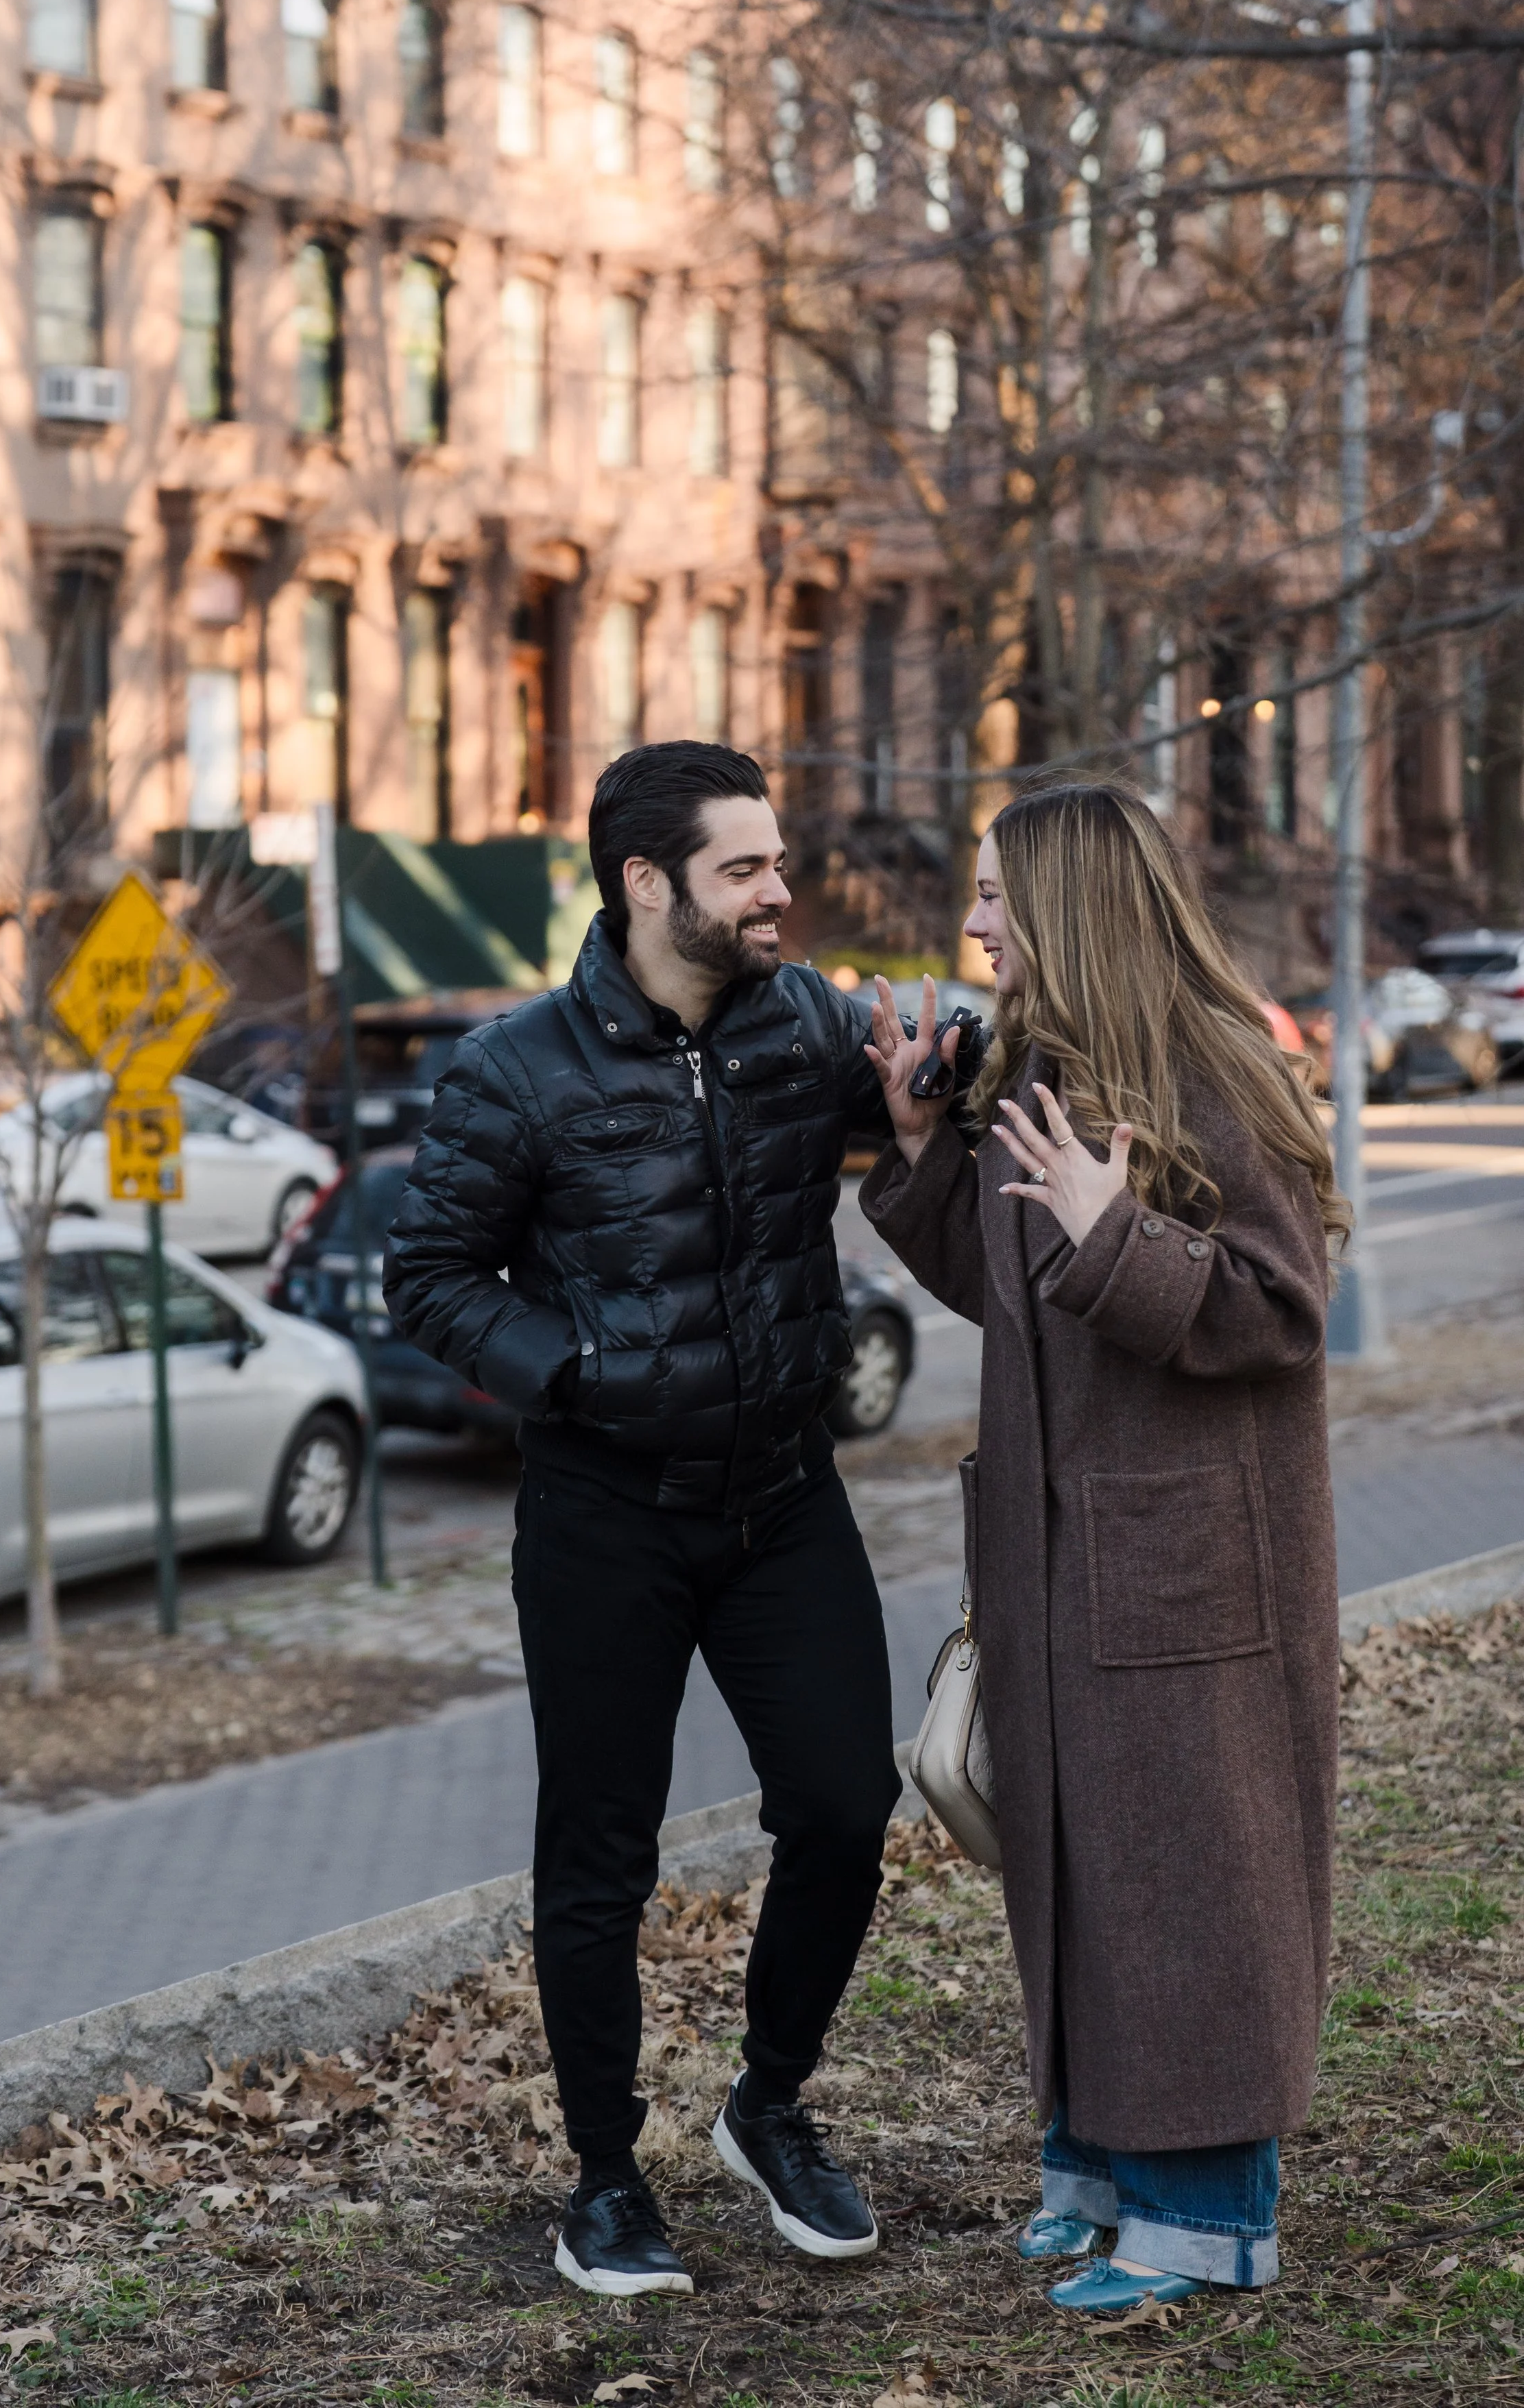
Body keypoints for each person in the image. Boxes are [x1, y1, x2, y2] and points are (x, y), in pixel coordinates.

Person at [387, 741, 971, 2298]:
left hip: (783, 1495)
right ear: (649, 884)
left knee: (846, 1805)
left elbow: (939, 1076)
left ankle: (767, 2102)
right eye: (744, 868)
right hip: (604, 1515)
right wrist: (570, 1369)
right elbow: (427, 1275)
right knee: (599, 1860)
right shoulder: (515, 1067)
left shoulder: (807, 1031)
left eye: (776, 861)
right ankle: (601, 2176)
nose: (780, 889)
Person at [861, 781, 1346, 2315]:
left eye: (998, 894)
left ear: (1071, 904)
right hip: (1053, 1553)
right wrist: (921, 1145)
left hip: (1190, 1563)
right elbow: (1013, 1294)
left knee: (1187, 1879)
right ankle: (1094, 2163)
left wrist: (1113, 1227)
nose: (973, 921)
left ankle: (1206, 2213)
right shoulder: (1040, 1070)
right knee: (1073, 1863)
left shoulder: (1208, 1071)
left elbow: (1276, 1310)